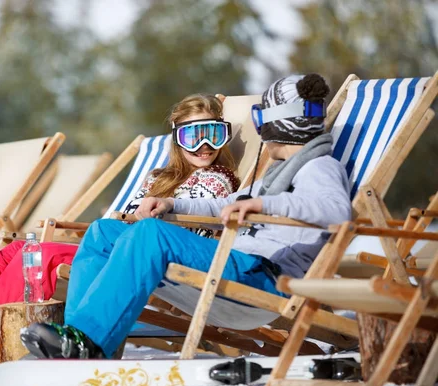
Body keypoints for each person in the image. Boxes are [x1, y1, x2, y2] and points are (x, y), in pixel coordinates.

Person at [0, 93, 241, 380]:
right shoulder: (158, 176)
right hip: (118, 249)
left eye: (214, 134)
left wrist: (160, 207)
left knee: (45, 256)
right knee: (23, 247)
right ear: (177, 139)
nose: (205, 145)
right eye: (193, 135)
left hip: (144, 262)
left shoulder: (219, 180)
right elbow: (124, 215)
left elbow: (181, 219)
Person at [19, 73, 352, 361]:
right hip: (237, 265)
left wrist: (266, 206)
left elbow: (336, 211)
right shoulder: (278, 175)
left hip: (264, 278)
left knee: (150, 234)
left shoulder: (319, 166)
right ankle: (78, 337)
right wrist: (171, 205)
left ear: (278, 125)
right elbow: (223, 204)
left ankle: (89, 342)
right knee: (103, 231)